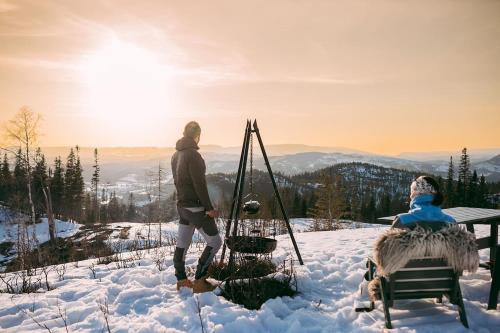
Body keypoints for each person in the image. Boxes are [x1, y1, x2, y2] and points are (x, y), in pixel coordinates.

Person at [171, 121, 222, 293]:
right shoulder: (194, 155)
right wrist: (209, 208)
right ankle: (200, 280)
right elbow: (199, 184)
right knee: (215, 242)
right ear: (197, 136)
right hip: (196, 208)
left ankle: (182, 280)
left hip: (182, 207)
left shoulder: (175, 155)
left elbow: (178, 182)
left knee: (182, 243)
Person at [391, 175, 456, 231]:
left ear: (416, 193)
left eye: (411, 192)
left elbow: (389, 244)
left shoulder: (401, 220)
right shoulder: (451, 222)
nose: (410, 196)